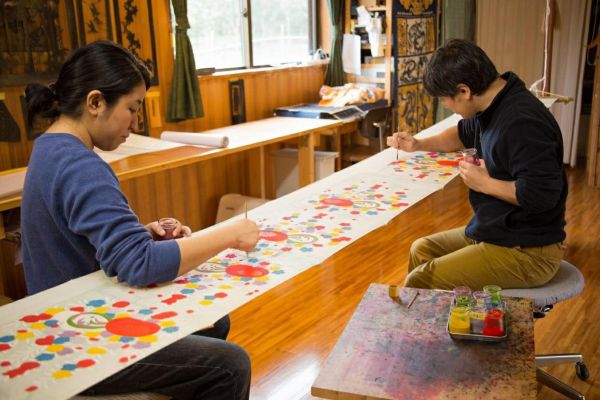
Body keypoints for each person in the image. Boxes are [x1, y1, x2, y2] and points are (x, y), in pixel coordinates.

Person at [22, 40, 260, 400]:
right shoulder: (80, 166)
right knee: (230, 365)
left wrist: (136, 234)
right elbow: (140, 264)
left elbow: (77, 235)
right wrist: (229, 234)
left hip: (57, 321)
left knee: (215, 321)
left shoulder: (49, 148)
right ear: (95, 102)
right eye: (132, 108)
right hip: (77, 338)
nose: (136, 122)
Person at [387, 39, 567, 291]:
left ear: (464, 91)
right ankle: (441, 316)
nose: (447, 107)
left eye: (445, 100)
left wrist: (485, 183)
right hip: (499, 230)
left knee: (420, 280)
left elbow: (541, 196)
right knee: (422, 249)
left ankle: (433, 317)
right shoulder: (495, 103)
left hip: (529, 250)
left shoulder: (521, 123)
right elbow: (461, 134)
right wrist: (417, 143)